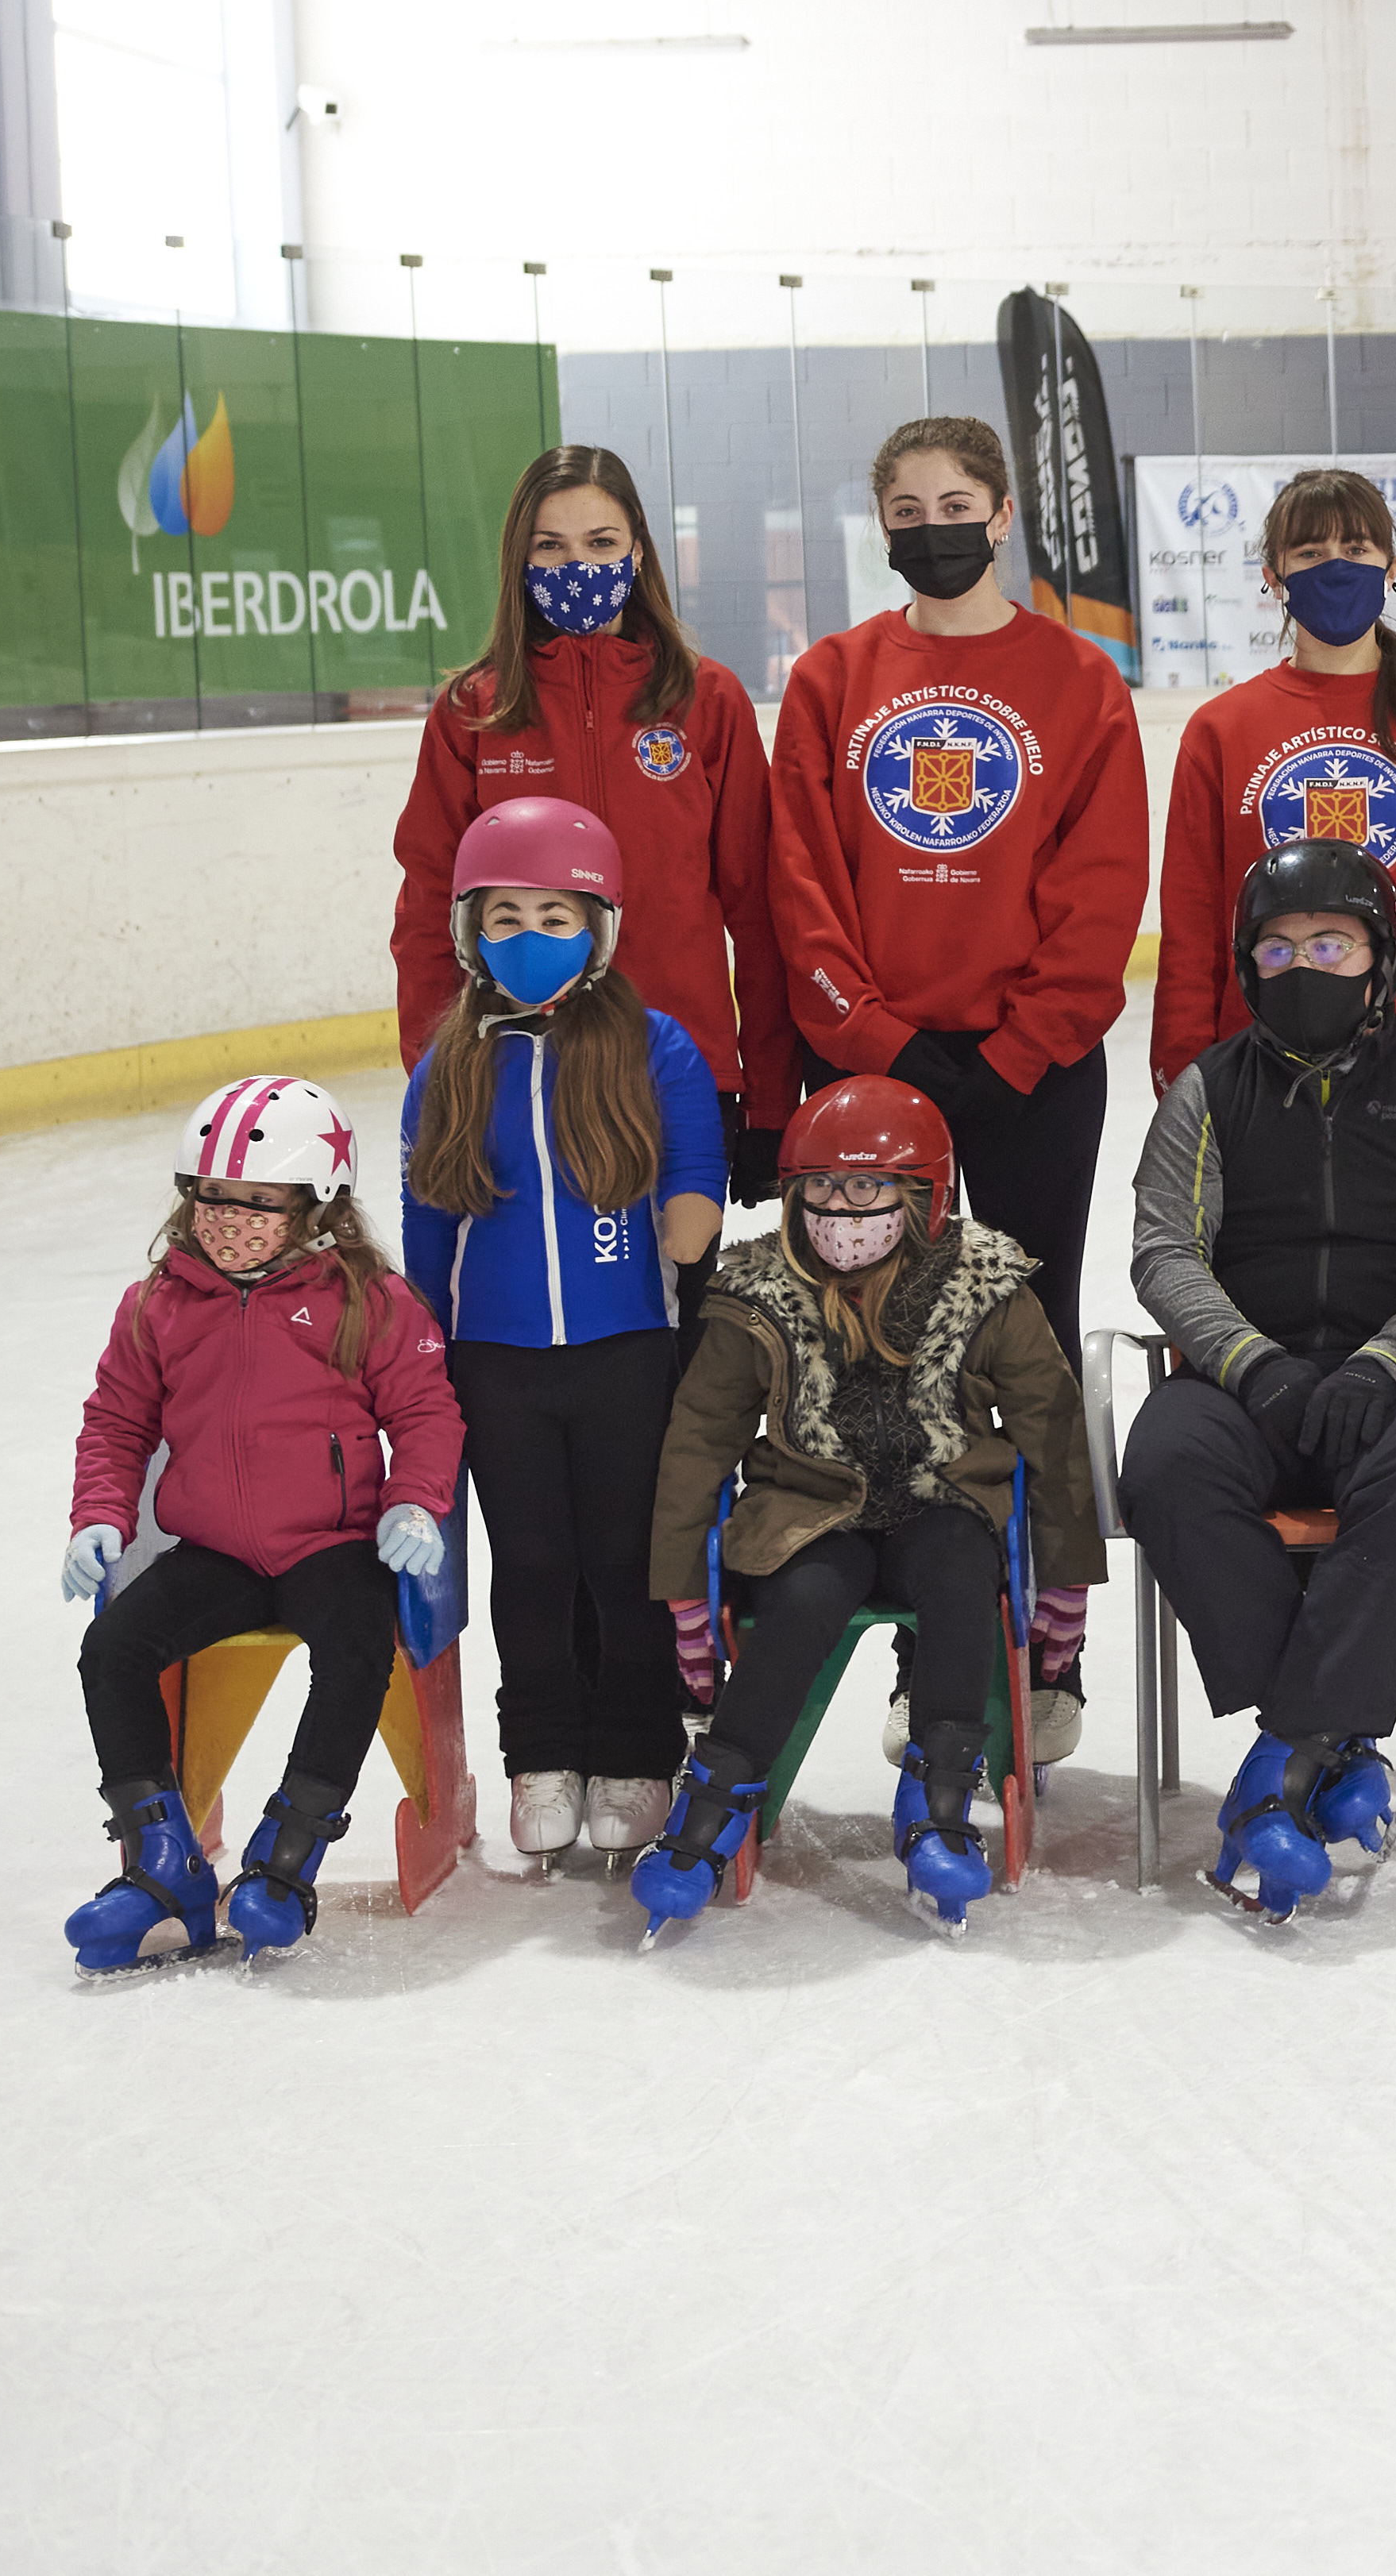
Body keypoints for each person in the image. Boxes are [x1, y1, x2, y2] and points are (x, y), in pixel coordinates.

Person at [1151, 463, 1396, 1762]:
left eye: (1357, 543)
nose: (1336, 563)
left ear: (1392, 564)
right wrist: (1198, 1099)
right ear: (1273, 575)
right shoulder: (1224, 730)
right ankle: (1328, 1677)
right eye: (1309, 547)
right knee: (1273, 1380)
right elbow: (1205, 931)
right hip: (1271, 1101)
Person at [770, 412, 1146, 1760]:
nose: (933, 521)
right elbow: (801, 885)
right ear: (885, 525)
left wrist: (1011, 1052)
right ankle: (926, 1627)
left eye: (958, 500)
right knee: (883, 1350)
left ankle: (1050, 1644)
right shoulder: (834, 678)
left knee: (1029, 1351)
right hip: (874, 1085)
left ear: (1001, 517)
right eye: (907, 503)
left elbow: (1101, 892)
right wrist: (876, 1042)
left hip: (1032, 1074)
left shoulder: (1079, 682)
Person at [1116, 838, 1396, 1920]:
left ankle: (1287, 1758)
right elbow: (1164, 1250)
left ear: (1380, 959)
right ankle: (1334, 1743)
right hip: (1250, 1376)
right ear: (1248, 965)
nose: (1305, 965)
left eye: (1332, 943)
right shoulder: (1206, 1088)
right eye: (1280, 945)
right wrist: (1254, 1364)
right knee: (1161, 1465)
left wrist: (1389, 1362)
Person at [630, 1074, 1096, 1940]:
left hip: (942, 1498)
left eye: (867, 1187)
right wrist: (686, 1605)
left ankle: (943, 1794)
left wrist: (1063, 1590)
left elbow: (1054, 1433)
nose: (842, 1211)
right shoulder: (755, 1294)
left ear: (923, 1193)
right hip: (809, 1511)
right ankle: (716, 1793)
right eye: (822, 1189)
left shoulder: (986, 1284)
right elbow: (698, 1439)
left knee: (961, 1571)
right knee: (805, 1597)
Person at [59, 1078, 464, 1969]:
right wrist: (98, 1515)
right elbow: (118, 1422)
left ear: (319, 1208)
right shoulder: (158, 1304)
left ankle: (287, 1858)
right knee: (112, 1649)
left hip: (330, 1544)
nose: (226, 1218)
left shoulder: (371, 1300)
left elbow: (429, 1412)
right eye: (209, 1196)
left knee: (358, 1644)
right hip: (216, 1553)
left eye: (257, 1202)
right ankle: (164, 1864)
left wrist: (412, 1498)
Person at [398, 796, 725, 1873]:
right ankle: (540, 1755)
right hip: (496, 1366)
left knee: (626, 1559)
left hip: (627, 1347)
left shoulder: (651, 1044)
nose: (529, 938)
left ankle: (636, 1749)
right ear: (469, 933)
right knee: (531, 1562)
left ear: (599, 926)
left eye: (553, 915)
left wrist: (691, 1214)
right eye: (504, 919)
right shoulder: (450, 1064)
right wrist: (426, 1357)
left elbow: (688, 1164)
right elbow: (426, 1225)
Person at [389, 446, 795, 1201]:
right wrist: (435, 1077)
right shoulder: (472, 715)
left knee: (675, 1312)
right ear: (521, 559)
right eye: (552, 547)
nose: (578, 566)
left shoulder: (706, 701)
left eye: (601, 544)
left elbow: (760, 914)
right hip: (514, 1074)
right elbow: (426, 917)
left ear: (637, 550)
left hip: (683, 1075)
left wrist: (770, 1100)